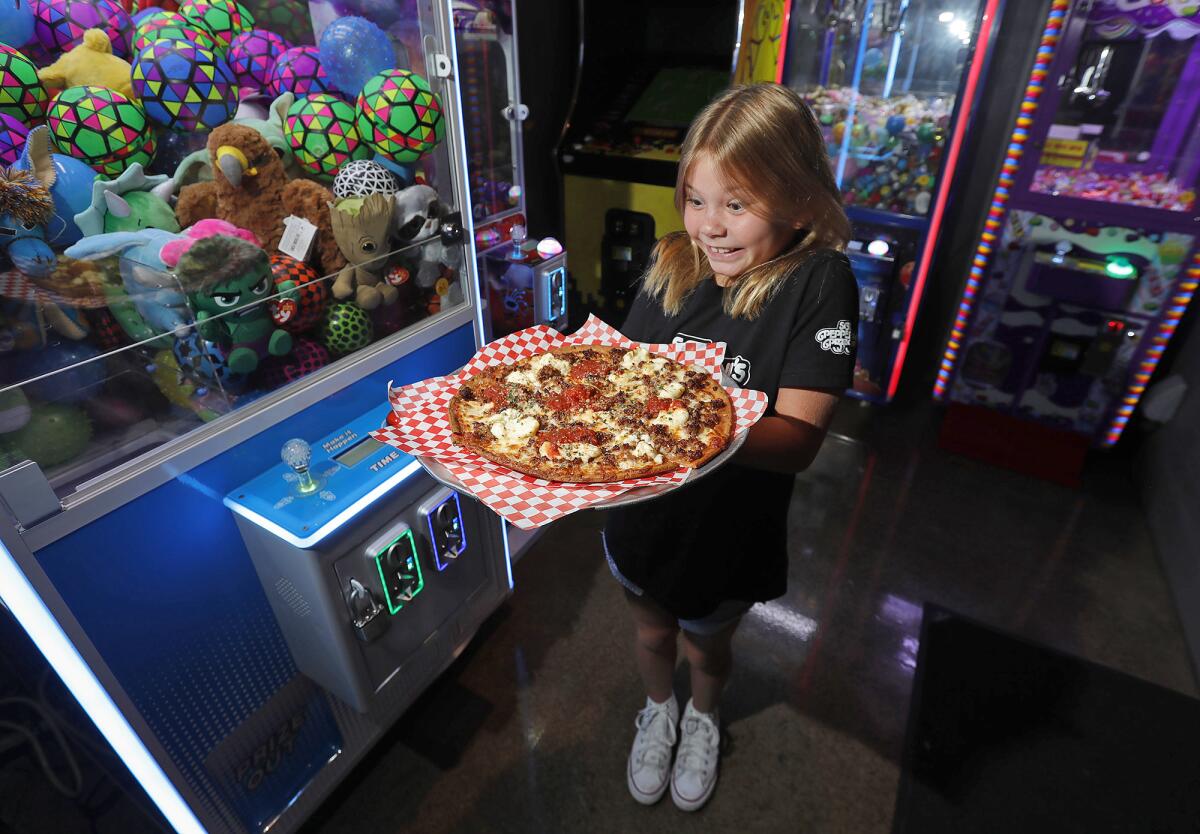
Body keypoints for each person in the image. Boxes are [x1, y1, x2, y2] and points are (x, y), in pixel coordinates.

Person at [603, 83, 858, 812]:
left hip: (730, 532)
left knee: (705, 648)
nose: (710, 227)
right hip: (644, 517)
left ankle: (704, 716)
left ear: (800, 201)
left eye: (736, 204)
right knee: (652, 632)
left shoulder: (820, 283)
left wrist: (681, 422)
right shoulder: (671, 262)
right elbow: (624, 377)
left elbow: (799, 442)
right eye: (695, 198)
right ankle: (658, 711)